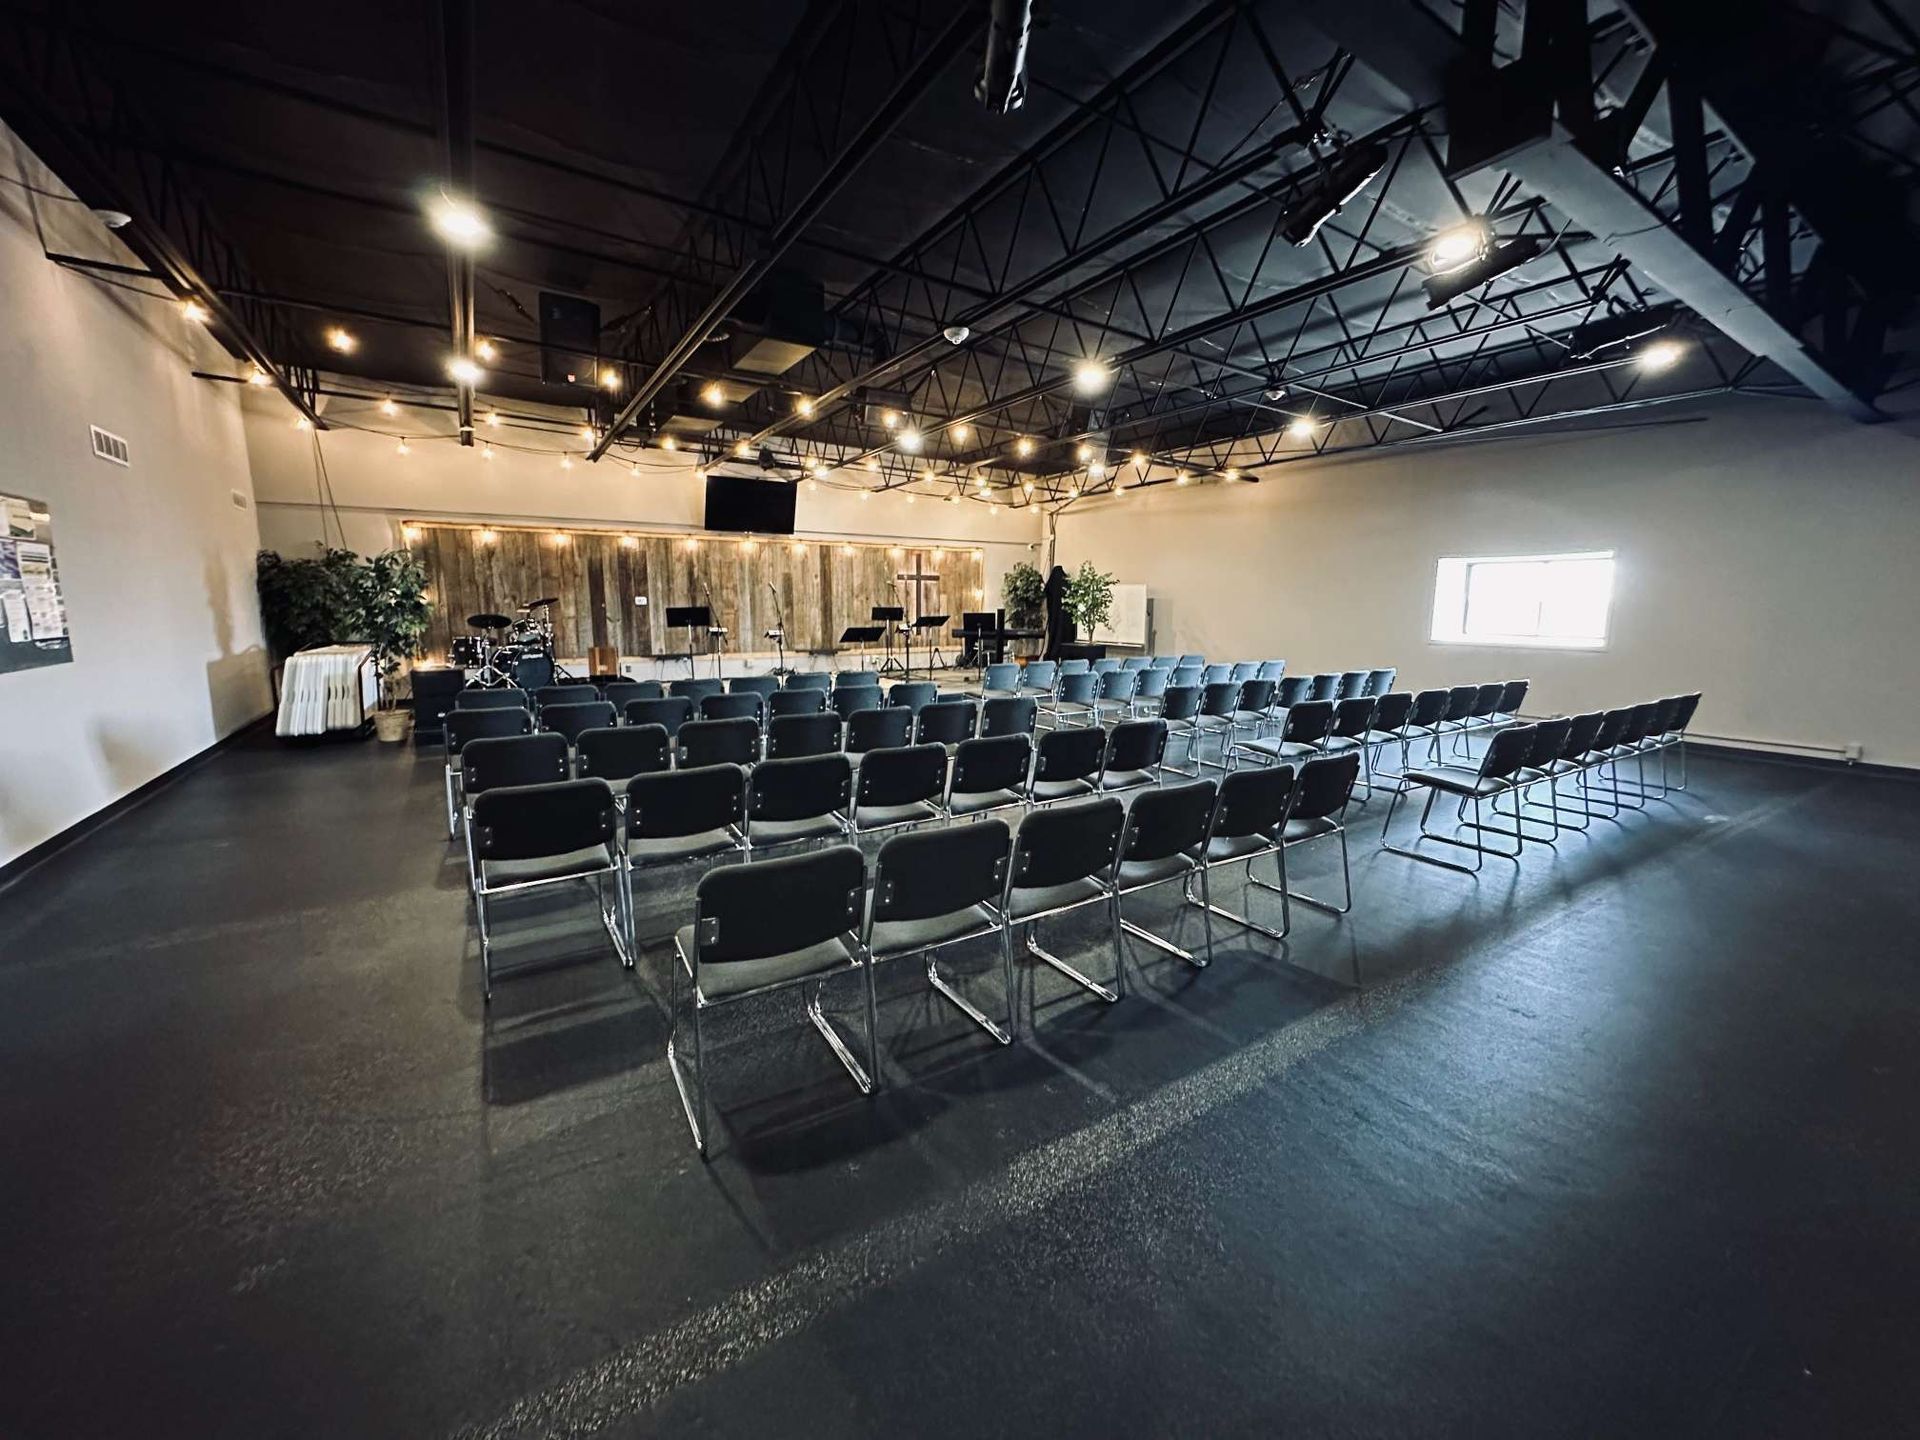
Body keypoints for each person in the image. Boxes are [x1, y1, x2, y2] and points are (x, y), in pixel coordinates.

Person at [1042, 564, 1074, 660]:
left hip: (1055, 618)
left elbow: (1047, 593)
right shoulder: (1067, 584)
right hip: (1067, 621)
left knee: (1054, 638)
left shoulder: (1052, 583)